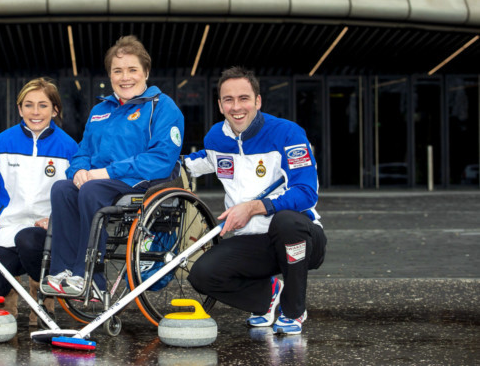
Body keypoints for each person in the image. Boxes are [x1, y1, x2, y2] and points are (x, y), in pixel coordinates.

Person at [185, 66, 327, 335]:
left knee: (287, 223)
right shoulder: (216, 138)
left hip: (300, 238)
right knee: (202, 275)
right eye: (228, 99)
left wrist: (253, 207)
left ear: (258, 101)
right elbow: (198, 163)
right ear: (220, 104)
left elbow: (307, 191)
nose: (236, 107)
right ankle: (267, 296)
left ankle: (293, 310)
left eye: (244, 98)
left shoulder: (288, 134)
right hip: (253, 243)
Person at [41, 35, 185, 296]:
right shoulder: (100, 110)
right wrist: (79, 172)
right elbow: (82, 152)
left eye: (132, 69)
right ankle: (61, 272)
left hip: (141, 183)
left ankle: (90, 276)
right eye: (117, 71)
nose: (125, 77)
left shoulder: (163, 107)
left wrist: (102, 173)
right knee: (62, 189)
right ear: (110, 75)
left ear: (146, 72)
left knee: (91, 191)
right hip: (101, 181)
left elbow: (161, 160)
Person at [0, 77, 78, 327]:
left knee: (28, 239)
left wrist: (57, 221)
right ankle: (12, 291)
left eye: (43, 105)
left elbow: (78, 199)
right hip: (7, 233)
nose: (35, 112)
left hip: (44, 237)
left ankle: (43, 295)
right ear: (19, 109)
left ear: (55, 109)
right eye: (28, 105)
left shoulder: (70, 148)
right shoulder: (3, 143)